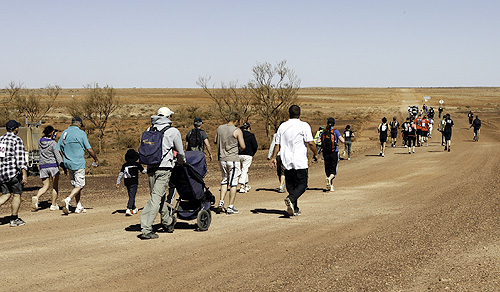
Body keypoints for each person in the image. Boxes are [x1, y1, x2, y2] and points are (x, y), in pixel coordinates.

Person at [140, 107, 186, 239]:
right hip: (164, 168)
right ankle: (146, 228)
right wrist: (182, 161)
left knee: (158, 196)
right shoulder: (173, 131)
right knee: (156, 197)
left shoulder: (149, 130)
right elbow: (180, 152)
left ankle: (168, 222)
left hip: (150, 167)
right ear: (168, 117)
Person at [269, 105, 318, 216]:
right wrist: (315, 153)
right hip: (299, 159)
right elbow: (310, 142)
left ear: (289, 114)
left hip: (286, 159)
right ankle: (291, 198)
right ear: (299, 113)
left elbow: (277, 144)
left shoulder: (282, 126)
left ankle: (294, 208)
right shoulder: (304, 126)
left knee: (291, 185)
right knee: (302, 184)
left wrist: (273, 157)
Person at [57, 117, 99, 215]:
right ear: (79, 124)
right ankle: (68, 199)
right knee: (80, 185)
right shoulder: (81, 133)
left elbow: (58, 149)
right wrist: (96, 159)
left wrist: (64, 159)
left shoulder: (64, 133)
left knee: (76, 186)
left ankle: (78, 206)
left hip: (68, 163)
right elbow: (89, 149)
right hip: (78, 163)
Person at [215, 112, 246, 214]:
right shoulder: (237, 130)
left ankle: (221, 202)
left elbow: (215, 141)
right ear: (236, 121)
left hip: (222, 159)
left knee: (224, 180)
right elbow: (243, 146)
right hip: (232, 159)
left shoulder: (220, 128)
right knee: (233, 183)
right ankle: (230, 206)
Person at [0, 120, 28, 227]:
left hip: (2, 172)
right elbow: (20, 159)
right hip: (13, 173)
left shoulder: (1, 139)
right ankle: (14, 218)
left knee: (6, 194)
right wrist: (24, 174)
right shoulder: (17, 140)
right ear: (15, 129)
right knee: (17, 194)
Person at [32, 126, 66, 212]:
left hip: (43, 166)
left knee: (45, 186)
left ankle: (36, 197)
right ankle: (53, 205)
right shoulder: (53, 143)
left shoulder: (40, 142)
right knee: (55, 187)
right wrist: (63, 166)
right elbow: (58, 156)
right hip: (53, 166)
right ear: (52, 133)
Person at [116, 149, 146, 216]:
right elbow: (143, 172)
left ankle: (133, 207)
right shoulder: (137, 165)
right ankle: (129, 208)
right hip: (134, 182)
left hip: (127, 182)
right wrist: (148, 168)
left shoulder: (125, 165)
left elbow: (120, 174)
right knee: (132, 195)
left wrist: (118, 182)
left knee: (131, 195)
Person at [321, 118, 344, 192]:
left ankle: (330, 185)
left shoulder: (324, 132)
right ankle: (329, 179)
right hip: (334, 152)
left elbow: (318, 140)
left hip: (325, 153)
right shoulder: (335, 131)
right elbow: (342, 140)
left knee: (327, 169)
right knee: (333, 171)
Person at [238, 122, 258, 193]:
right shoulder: (251, 135)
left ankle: (246, 185)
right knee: (244, 169)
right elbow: (255, 146)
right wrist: (252, 153)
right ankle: (242, 186)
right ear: (249, 128)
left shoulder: (239, 135)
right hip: (248, 155)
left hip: (239, 155)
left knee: (243, 170)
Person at [267, 123, 286, 193]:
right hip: (284, 155)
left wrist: (269, 155)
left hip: (278, 155)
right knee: (283, 171)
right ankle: (282, 185)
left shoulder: (276, 135)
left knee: (279, 171)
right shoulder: (287, 134)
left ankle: (282, 185)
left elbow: (273, 145)